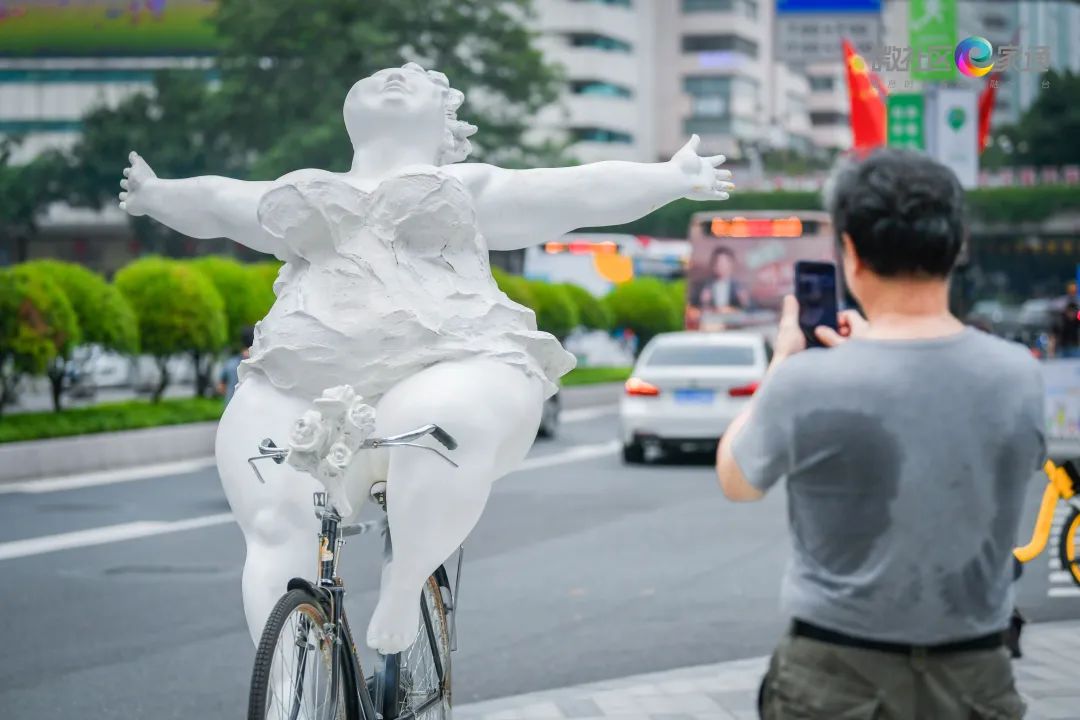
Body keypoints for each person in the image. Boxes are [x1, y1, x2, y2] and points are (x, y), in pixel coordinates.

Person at [118, 62, 733, 653]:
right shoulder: (302, 190)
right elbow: (220, 201)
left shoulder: (467, 186)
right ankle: (292, 685)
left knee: (431, 418)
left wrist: (671, 177)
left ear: (444, 126)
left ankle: (405, 579)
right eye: (379, 78)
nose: (393, 77)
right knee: (277, 521)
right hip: (302, 374)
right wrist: (154, 194)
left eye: (414, 83)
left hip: (450, 358)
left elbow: (575, 189)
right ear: (349, 110)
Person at [714, 149, 1044, 719]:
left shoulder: (807, 382)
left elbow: (737, 480)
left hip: (834, 679)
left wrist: (785, 364)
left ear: (850, 252)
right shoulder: (1019, 375)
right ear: (957, 243)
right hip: (974, 678)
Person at [695, 246, 749, 311]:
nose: (720, 266)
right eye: (717, 262)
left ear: (731, 265)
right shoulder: (704, 286)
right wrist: (703, 302)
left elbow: (749, 309)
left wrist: (744, 302)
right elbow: (694, 308)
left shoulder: (738, 286)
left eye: (724, 263)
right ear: (713, 265)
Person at [217, 325, 255, 405]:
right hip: (254, 410)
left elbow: (220, 388)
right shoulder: (261, 364)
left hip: (232, 409)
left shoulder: (230, 363)